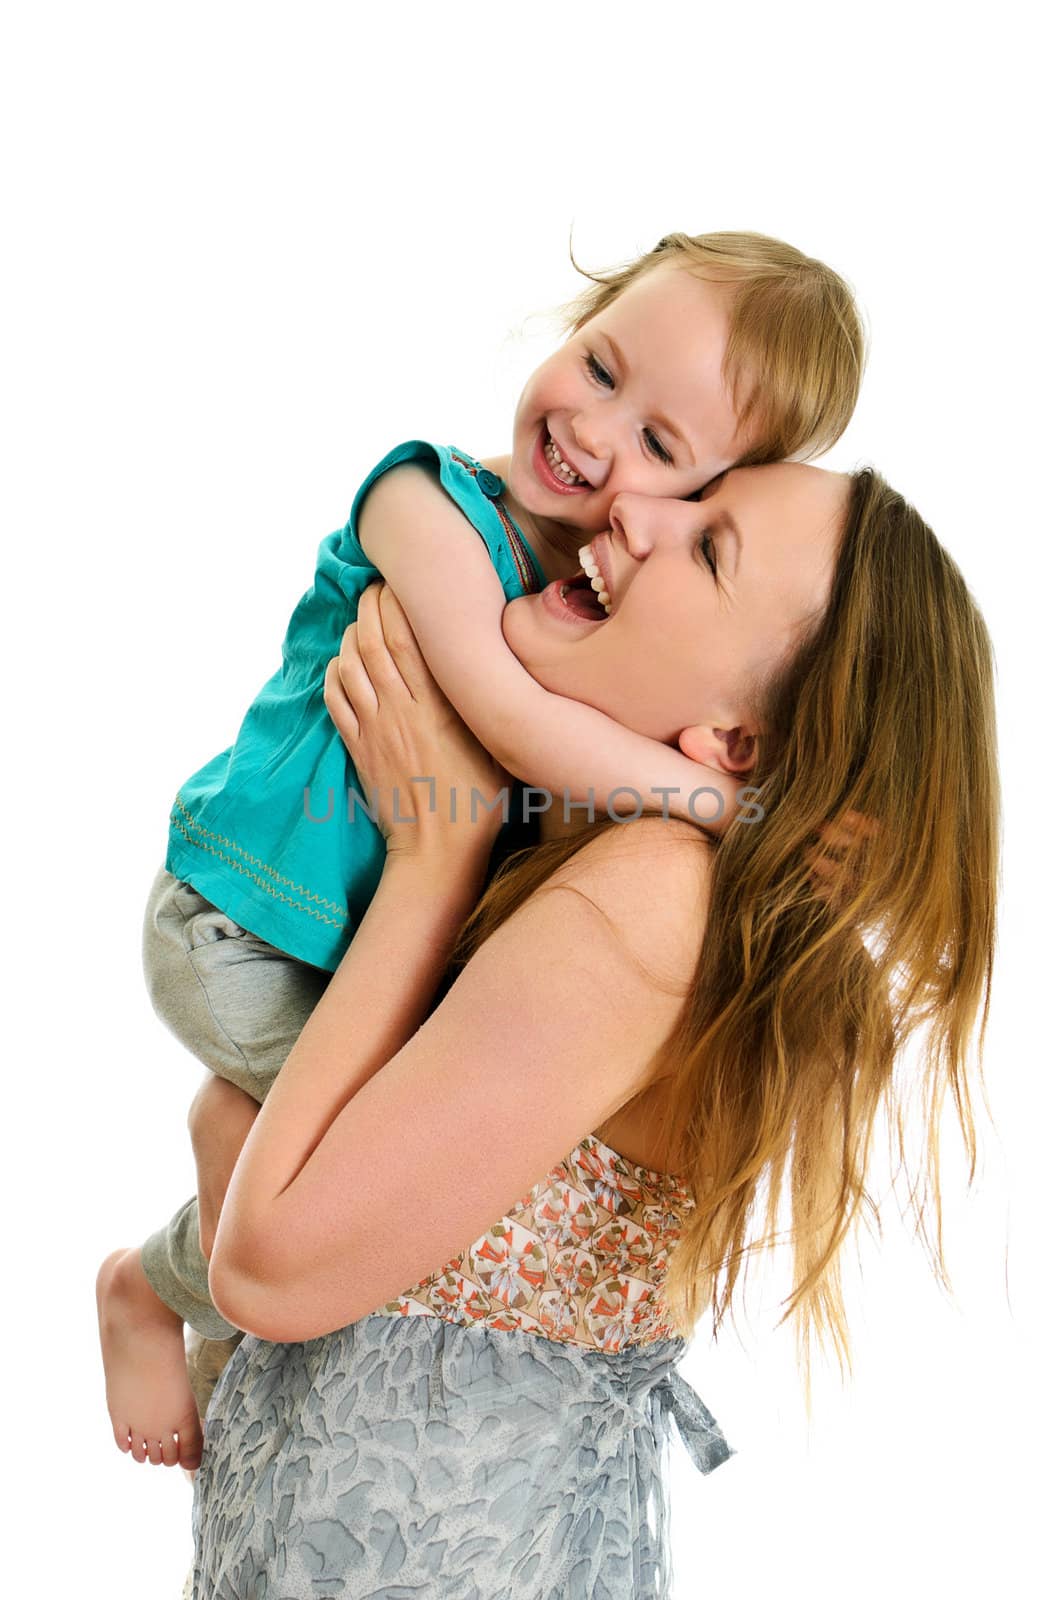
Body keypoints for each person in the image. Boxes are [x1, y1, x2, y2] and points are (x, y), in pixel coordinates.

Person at [95, 230, 865, 1471]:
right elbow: (504, 711)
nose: (596, 433)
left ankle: (220, 1217)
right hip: (243, 926)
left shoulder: (604, 596)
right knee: (385, 1180)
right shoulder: (425, 504)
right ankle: (153, 1275)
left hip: (337, 952)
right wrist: (742, 809)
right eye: (601, 364)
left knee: (391, 1165)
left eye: (663, 449)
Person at [186, 462, 999, 1596]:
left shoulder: (654, 900)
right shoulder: (623, 863)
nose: (633, 507)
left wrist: (434, 857)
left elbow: (270, 1271)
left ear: (738, 745)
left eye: (709, 547)